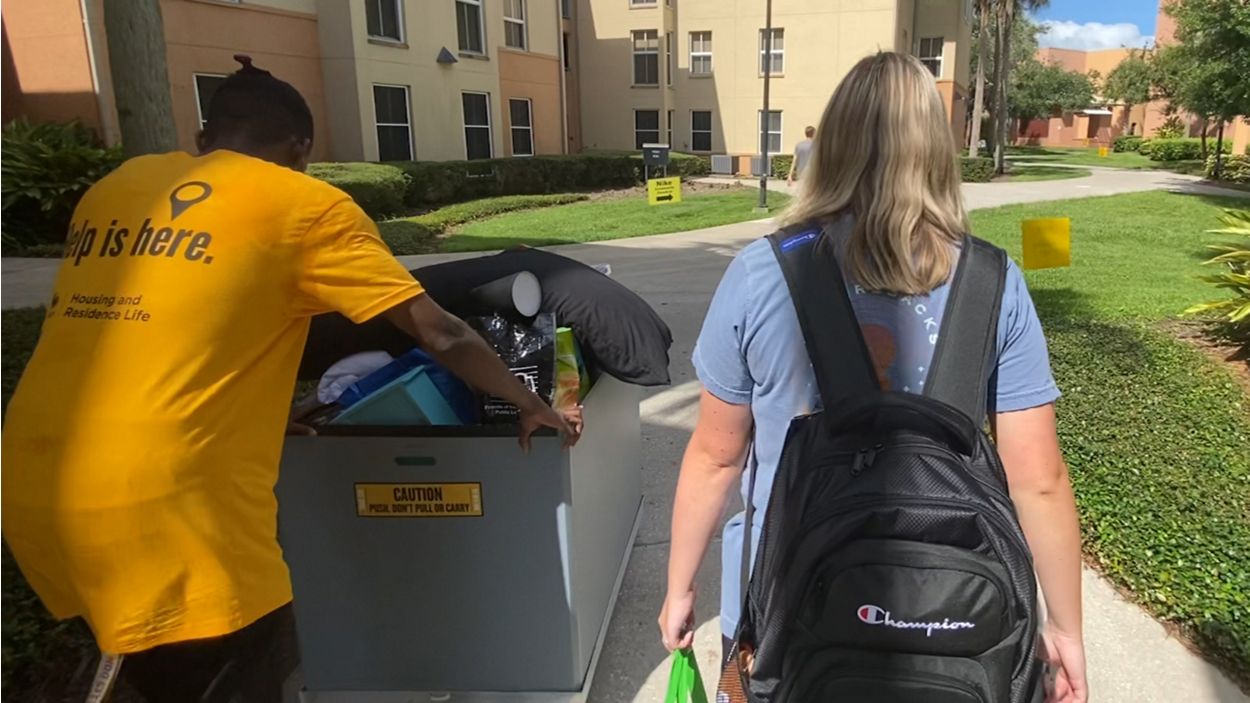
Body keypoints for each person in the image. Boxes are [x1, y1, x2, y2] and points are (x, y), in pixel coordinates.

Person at [1, 56, 575, 702]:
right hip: (168, 509)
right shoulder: (303, 206)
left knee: (164, 672)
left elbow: (154, 331)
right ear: (301, 150)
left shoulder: (118, 187)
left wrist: (264, 418)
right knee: (241, 672)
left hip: (37, 484)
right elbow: (441, 334)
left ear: (203, 137)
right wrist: (530, 402)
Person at [658, 52, 1087, 703]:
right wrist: (1065, 628)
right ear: (937, 150)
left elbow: (718, 457)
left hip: (781, 613)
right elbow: (1039, 479)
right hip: (951, 613)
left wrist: (680, 588)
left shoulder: (763, 273)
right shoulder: (994, 283)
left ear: (832, 145)